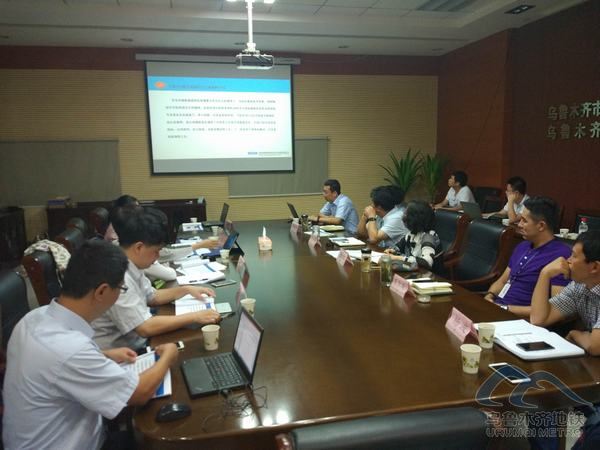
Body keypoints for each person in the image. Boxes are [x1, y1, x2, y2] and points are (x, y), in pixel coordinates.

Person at [3, 240, 179, 449]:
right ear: (101, 291)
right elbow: (139, 393)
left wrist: (104, 355)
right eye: (121, 288)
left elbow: (50, 365)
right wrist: (168, 355)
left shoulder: (33, 319)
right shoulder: (69, 350)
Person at [92, 207, 220, 351]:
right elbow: (145, 327)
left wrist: (186, 290)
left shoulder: (131, 263)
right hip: (123, 353)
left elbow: (152, 296)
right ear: (139, 247)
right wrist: (195, 316)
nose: (158, 256)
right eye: (156, 251)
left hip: (135, 343)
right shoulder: (118, 275)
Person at [484, 197, 570, 318]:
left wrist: (505, 308)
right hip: (497, 308)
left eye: (524, 221)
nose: (519, 224)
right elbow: (503, 281)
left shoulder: (561, 256)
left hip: (521, 319)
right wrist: (489, 296)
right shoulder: (523, 245)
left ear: (541, 225)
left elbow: (556, 309)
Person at [530, 230, 600, 355]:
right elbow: (538, 319)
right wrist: (545, 274)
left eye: (574, 256)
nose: (568, 260)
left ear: (594, 267)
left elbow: (595, 347)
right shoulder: (579, 286)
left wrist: (574, 334)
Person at [385, 200, 441, 270]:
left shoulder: (429, 237)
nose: (403, 217)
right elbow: (399, 246)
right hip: (415, 270)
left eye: (406, 214)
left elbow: (427, 262)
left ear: (415, 219)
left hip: (429, 274)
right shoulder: (412, 233)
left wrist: (398, 258)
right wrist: (392, 250)